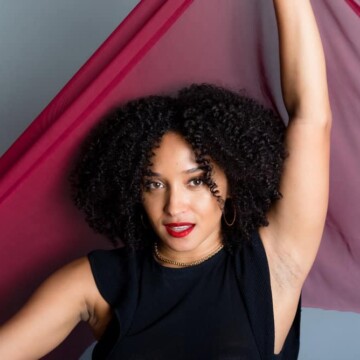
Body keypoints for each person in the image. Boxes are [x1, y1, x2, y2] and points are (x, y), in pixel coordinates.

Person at [0, 0, 331, 359]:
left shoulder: (270, 265)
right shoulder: (95, 282)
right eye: (154, 184)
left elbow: (311, 119)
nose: (174, 206)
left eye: (196, 181)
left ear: (234, 181)